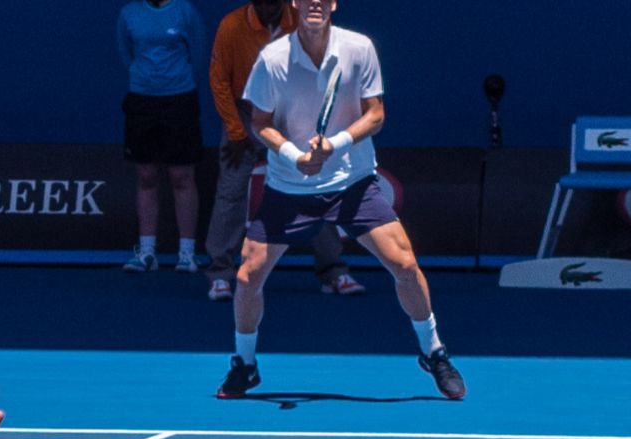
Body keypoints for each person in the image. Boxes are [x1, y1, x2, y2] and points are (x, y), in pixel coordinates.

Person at [217, 0, 466, 401]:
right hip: (289, 186)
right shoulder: (272, 58)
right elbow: (259, 123)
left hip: (352, 181)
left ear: (332, 4)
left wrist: (333, 144)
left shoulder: (359, 48)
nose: (315, 2)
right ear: (295, 3)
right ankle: (244, 365)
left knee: (404, 263)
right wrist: (295, 157)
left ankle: (433, 351)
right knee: (247, 277)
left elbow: (376, 114)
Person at [202, 0, 365, 302]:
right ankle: (220, 276)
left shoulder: (303, 21)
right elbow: (220, 81)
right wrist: (238, 131)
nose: (269, 5)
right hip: (245, 111)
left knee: (318, 185)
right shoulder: (231, 26)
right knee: (231, 191)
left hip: (294, 109)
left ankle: (333, 272)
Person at [116, 0, 210, 272]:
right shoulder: (129, 13)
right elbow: (126, 53)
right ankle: (146, 253)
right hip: (141, 101)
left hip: (179, 100)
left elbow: (198, 54)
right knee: (146, 176)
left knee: (182, 177)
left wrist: (173, 81)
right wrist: (146, 79)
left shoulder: (185, 12)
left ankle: (187, 254)